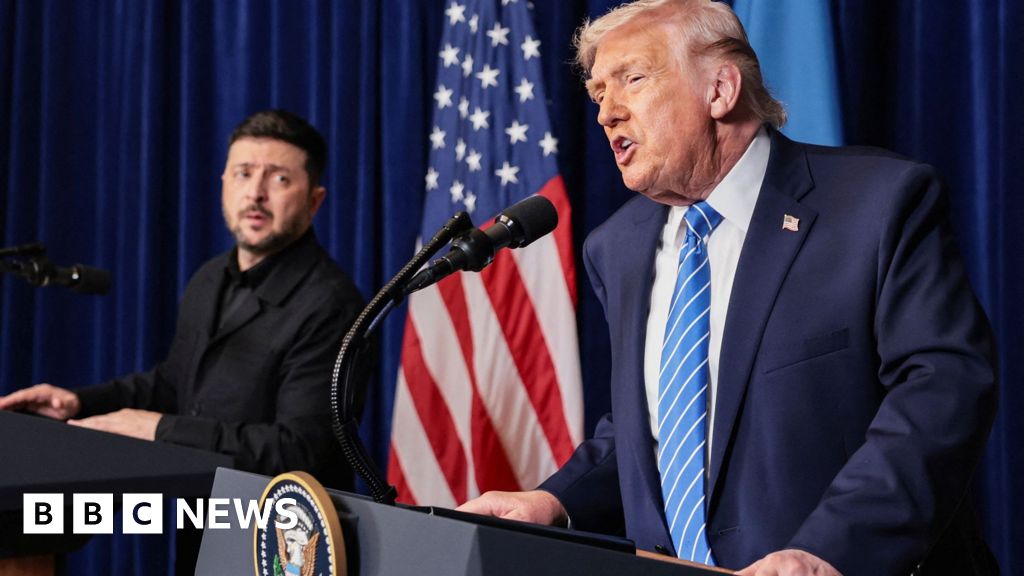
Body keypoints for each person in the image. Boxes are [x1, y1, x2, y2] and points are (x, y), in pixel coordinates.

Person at [458, 2, 998, 575]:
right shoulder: (616, 247)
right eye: (597, 94)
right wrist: (554, 501)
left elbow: (942, 390)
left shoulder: (877, 204)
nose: (607, 114)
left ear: (720, 89)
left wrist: (829, 550)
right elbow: (656, 430)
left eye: (632, 79)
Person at [0, 109, 369, 492]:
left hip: (285, 525)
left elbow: (298, 452)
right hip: (206, 515)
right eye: (243, 173)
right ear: (224, 183)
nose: (255, 193)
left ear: (314, 201)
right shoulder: (210, 277)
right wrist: (78, 403)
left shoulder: (331, 305)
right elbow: (176, 385)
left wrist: (162, 429)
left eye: (279, 178)